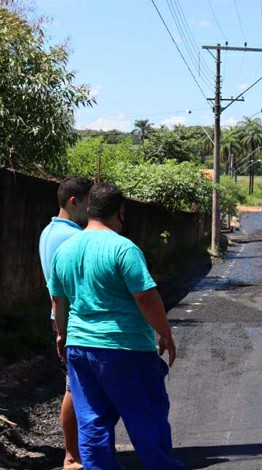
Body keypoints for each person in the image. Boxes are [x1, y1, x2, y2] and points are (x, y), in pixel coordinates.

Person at [47, 183, 183, 470]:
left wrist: (62, 334)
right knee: (146, 416)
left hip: (80, 348)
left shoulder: (64, 250)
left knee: (92, 420)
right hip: (125, 348)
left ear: (89, 209)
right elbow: (145, 297)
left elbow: (58, 302)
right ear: (120, 211)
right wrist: (166, 333)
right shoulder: (123, 248)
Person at [38, 176, 93, 470]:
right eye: (88, 204)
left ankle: (78, 452)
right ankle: (72, 456)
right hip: (71, 321)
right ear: (74, 202)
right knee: (75, 388)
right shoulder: (73, 238)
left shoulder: (49, 232)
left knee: (76, 386)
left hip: (60, 318)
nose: (91, 212)